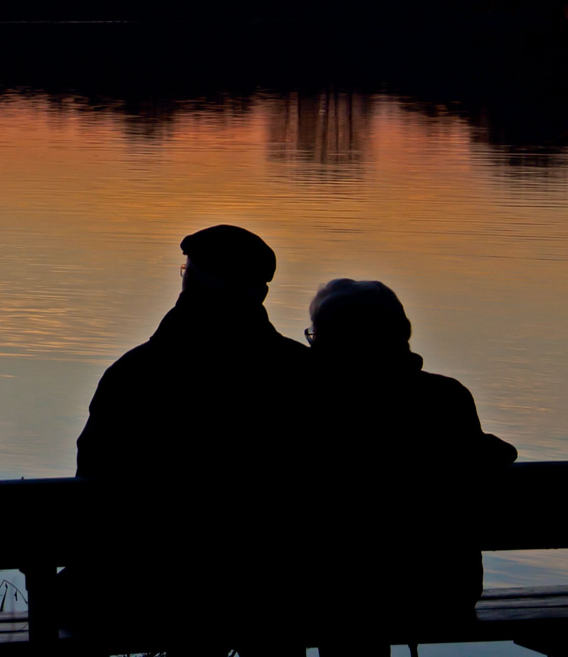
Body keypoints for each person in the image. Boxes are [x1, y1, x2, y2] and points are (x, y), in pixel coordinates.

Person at [73, 224, 311, 651]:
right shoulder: (306, 373)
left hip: (159, 587)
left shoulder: (137, 375)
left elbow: (94, 475)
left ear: (193, 283)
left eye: (186, 270)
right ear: (260, 294)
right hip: (287, 588)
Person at [304, 279, 516, 655]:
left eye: (315, 334)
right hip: (442, 595)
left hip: (342, 599)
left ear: (331, 340)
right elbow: (492, 455)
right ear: (401, 333)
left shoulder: (314, 405)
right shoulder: (447, 397)